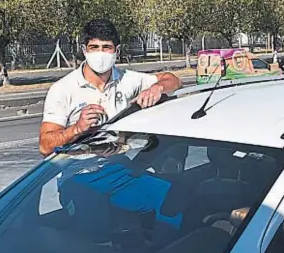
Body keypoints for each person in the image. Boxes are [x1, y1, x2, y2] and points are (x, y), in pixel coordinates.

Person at [39, 19, 182, 156]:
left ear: (117, 51)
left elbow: (173, 80)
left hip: (119, 166)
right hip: (78, 172)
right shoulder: (62, 89)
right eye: (94, 47)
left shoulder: (127, 79)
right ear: (84, 50)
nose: (100, 54)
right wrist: (77, 128)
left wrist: (157, 88)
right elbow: (45, 146)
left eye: (106, 47)